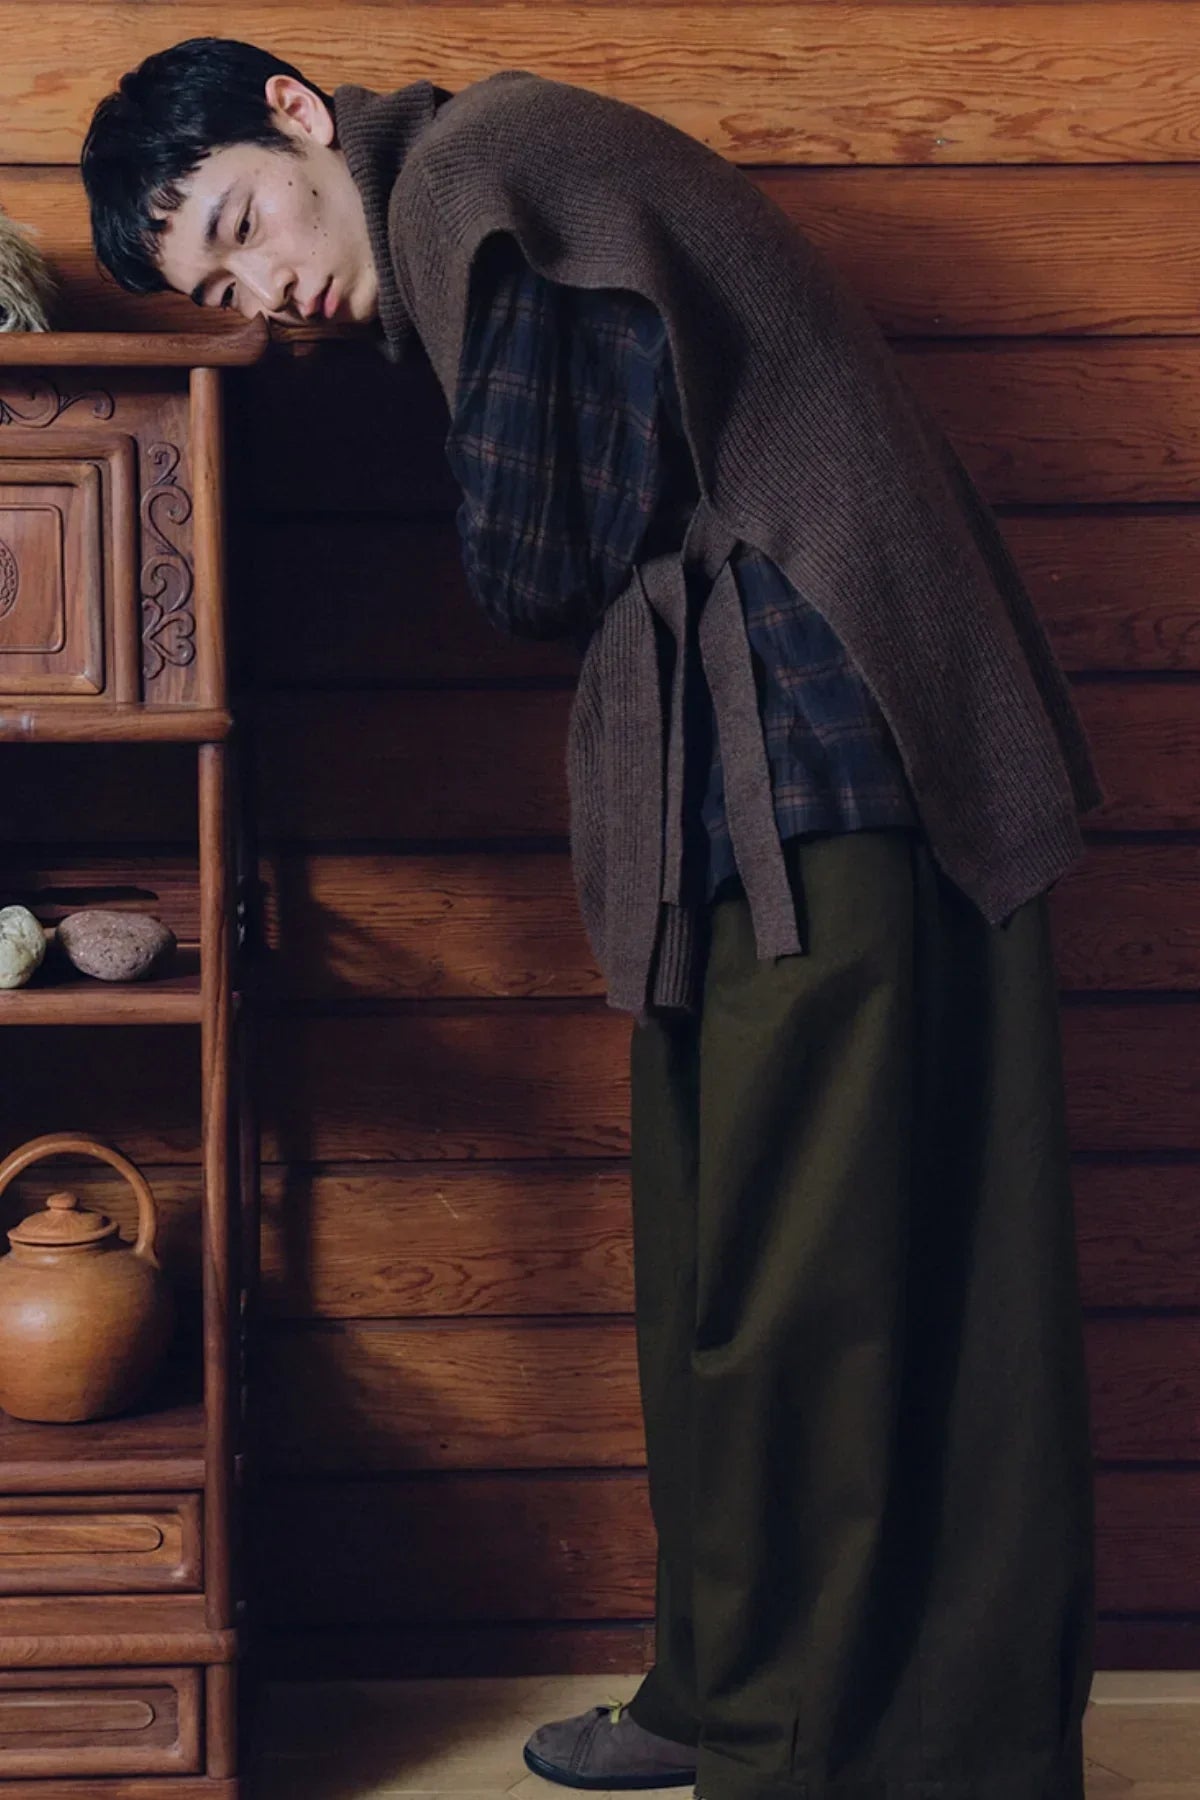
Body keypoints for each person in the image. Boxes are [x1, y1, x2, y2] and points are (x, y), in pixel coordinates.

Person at [81, 39, 1102, 1800]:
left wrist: (500, 488)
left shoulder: (492, 169)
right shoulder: (473, 206)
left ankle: (816, 1746)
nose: (268, 294)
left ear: (299, 113)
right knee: (720, 1266)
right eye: (220, 287)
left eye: (245, 225)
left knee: (811, 1284)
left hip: (838, 751)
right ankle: (719, 1691)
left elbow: (537, 556)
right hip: (746, 769)